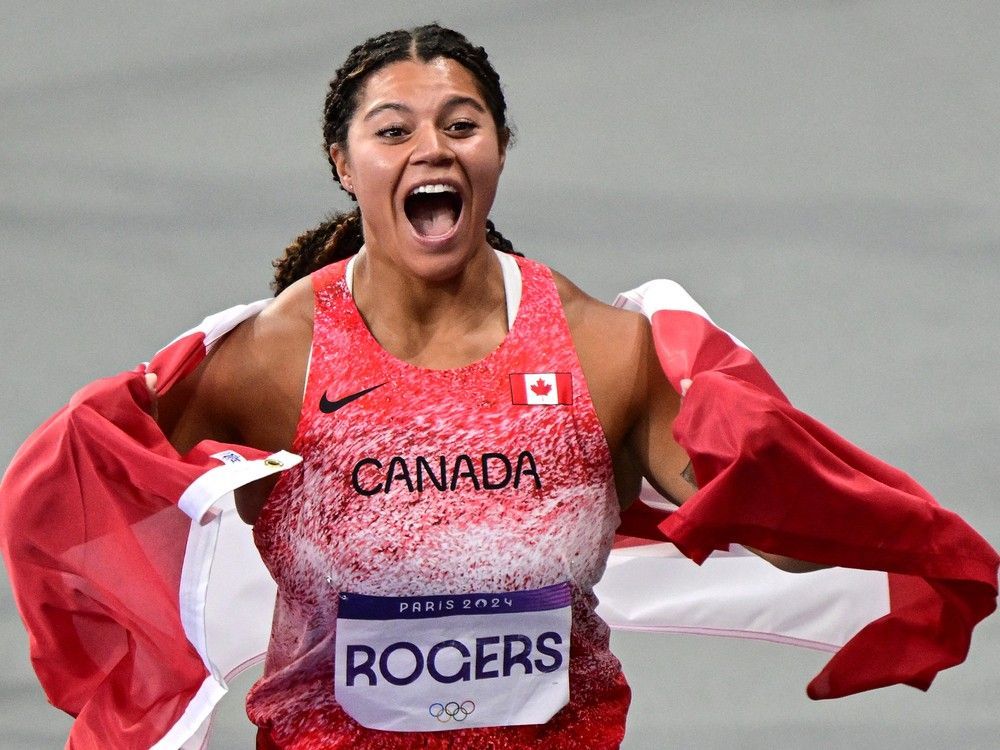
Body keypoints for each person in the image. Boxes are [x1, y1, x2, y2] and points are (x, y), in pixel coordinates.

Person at [1, 22, 996, 750]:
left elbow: (769, 525)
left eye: (461, 123)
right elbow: (93, 483)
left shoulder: (603, 352)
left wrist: (786, 469)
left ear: (498, 150)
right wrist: (122, 651)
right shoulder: (275, 360)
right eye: (393, 130)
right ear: (343, 163)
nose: (431, 147)